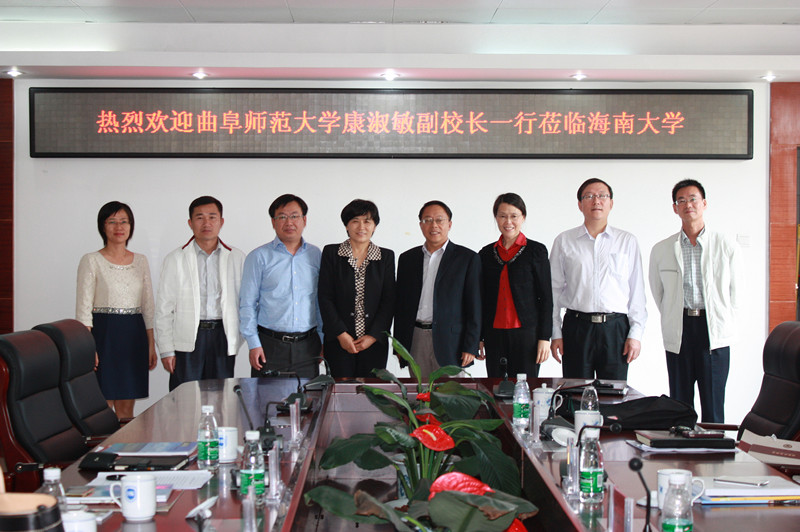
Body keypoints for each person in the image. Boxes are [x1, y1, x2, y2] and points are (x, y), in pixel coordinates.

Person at [649, 179, 740, 423]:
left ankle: (714, 447)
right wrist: (674, 315)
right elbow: (659, 293)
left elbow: (735, 294)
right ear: (675, 208)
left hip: (713, 331)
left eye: (693, 199)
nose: (687, 204)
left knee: (713, 406)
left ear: (704, 204)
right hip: (681, 329)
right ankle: (681, 446)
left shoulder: (725, 245)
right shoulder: (662, 249)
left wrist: (722, 321)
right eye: (681, 201)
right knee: (679, 405)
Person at [550, 178, 647, 380]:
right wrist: (556, 332)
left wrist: (635, 334)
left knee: (613, 394)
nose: (596, 201)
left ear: (611, 203)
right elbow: (553, 290)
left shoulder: (627, 241)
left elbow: (636, 291)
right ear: (580, 204)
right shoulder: (564, 241)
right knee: (575, 391)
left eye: (602, 195)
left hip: (615, 329)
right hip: (577, 328)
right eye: (589, 196)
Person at [155, 196, 245, 391]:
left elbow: (245, 303)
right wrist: (166, 350)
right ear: (190, 223)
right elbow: (163, 308)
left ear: (221, 221)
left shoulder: (236, 257)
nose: (206, 223)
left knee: (221, 397)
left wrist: (238, 338)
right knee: (184, 397)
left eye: (212, 217)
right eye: (200, 218)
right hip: (187, 336)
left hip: (222, 335)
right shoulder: (175, 259)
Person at [76, 201, 157, 419]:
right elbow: (83, 309)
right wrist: (88, 347)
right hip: (104, 335)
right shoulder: (91, 260)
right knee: (102, 407)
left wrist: (151, 344)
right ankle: (101, 443)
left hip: (134, 335)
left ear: (131, 226)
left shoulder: (140, 261)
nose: (119, 227)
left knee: (126, 408)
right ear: (103, 226)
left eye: (124, 221)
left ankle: (126, 442)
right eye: (112, 222)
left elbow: (148, 306)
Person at [394, 200, 481, 380]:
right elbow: (400, 305)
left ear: (449, 224)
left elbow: (475, 305)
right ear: (421, 225)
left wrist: (471, 345)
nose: (434, 225)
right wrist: (399, 345)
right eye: (427, 220)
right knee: (420, 392)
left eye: (439, 220)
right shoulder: (407, 259)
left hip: (452, 342)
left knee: (451, 394)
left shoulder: (467, 258)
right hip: (416, 338)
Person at [239, 194, 322, 378]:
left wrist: (322, 340)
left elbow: (319, 301)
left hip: (308, 346)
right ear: (273, 222)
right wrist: (253, 343)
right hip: (270, 345)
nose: (289, 222)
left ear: (304, 220)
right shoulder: (258, 257)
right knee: (266, 396)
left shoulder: (316, 255)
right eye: (282, 217)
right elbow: (247, 303)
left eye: (294, 216)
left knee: (308, 396)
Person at [318, 199, 396, 379]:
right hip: (338, 341)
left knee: (371, 391)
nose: (361, 227)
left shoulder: (385, 257)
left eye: (367, 221)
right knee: (340, 390)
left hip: (374, 343)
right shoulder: (332, 253)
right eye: (355, 221)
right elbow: (325, 296)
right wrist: (341, 334)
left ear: (374, 226)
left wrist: (373, 336)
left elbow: (389, 300)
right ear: (347, 225)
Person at [479, 193, 552, 379]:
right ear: (496, 218)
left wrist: (544, 337)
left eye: (514, 216)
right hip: (494, 334)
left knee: (524, 387)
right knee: (495, 386)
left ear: (523, 217)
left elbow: (546, 298)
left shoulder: (536, 251)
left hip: (526, 335)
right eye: (502, 216)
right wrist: (478, 337)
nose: (508, 222)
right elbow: (480, 298)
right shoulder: (486, 254)